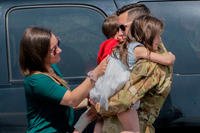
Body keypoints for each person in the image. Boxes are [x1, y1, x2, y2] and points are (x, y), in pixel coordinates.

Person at [100, 3, 174, 133]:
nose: (119, 32)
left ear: (138, 25)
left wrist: (97, 106)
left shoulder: (150, 63)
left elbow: (122, 101)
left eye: (123, 27)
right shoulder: (142, 53)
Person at [19, 26, 107, 133]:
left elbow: (65, 101)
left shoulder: (52, 69)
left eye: (58, 44)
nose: (60, 50)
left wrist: (91, 102)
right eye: (54, 49)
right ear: (39, 54)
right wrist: (96, 73)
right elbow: (71, 100)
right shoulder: (36, 80)